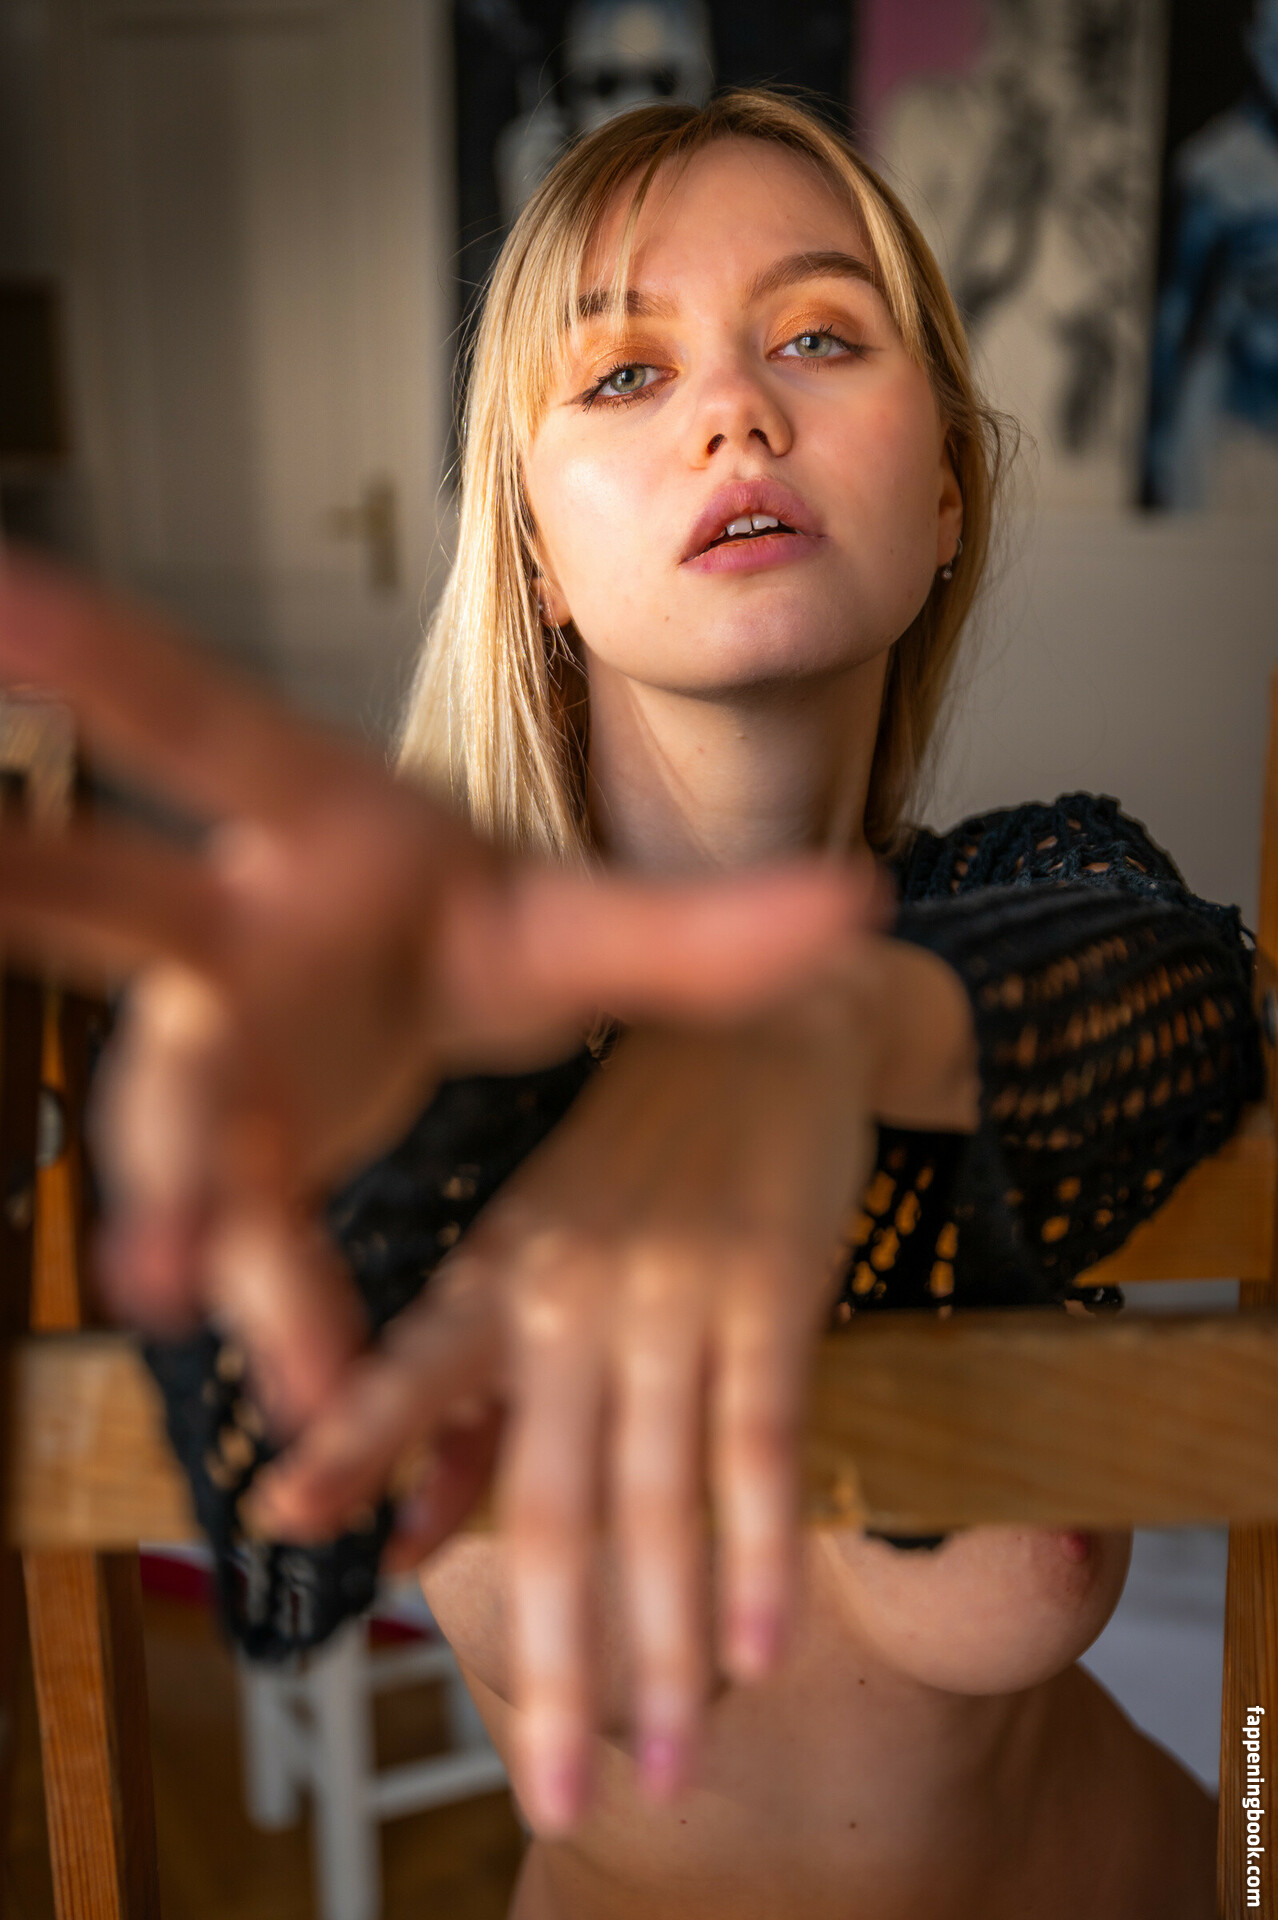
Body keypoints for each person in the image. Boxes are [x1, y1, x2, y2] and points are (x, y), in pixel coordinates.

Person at [1, 88, 1258, 1915]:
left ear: (943, 492)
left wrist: (832, 1023)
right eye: (624, 374)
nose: (734, 409)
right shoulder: (440, 1045)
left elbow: (1186, 989)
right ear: (532, 550)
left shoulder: (1045, 896)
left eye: (816, 337)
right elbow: (281, 1572)